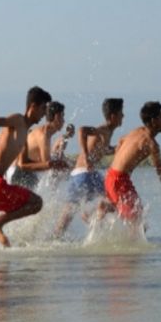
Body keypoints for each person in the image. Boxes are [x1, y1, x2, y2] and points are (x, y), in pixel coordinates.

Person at [0, 87, 52, 255]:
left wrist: (51, 164)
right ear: (33, 106)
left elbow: (24, 163)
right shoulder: (18, 120)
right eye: (43, 108)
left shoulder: (24, 134)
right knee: (36, 203)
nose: (44, 114)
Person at [103, 101, 161, 226]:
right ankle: (129, 244)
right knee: (139, 223)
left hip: (110, 176)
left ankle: (103, 210)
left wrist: (121, 162)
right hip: (120, 180)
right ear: (154, 120)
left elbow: (120, 141)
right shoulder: (152, 144)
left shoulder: (137, 131)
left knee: (128, 216)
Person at [53, 98, 124, 238]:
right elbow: (82, 131)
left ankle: (54, 238)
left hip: (77, 174)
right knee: (115, 200)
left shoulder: (106, 133)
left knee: (67, 215)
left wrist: (116, 149)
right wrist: (85, 156)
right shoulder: (103, 129)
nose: (123, 116)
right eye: (121, 113)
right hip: (86, 174)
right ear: (113, 116)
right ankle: (92, 220)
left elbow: (102, 150)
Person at [10, 100, 70, 189]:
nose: (64, 121)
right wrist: (63, 166)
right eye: (62, 116)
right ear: (57, 117)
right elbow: (46, 163)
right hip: (21, 172)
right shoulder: (43, 135)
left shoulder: (44, 132)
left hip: (24, 171)